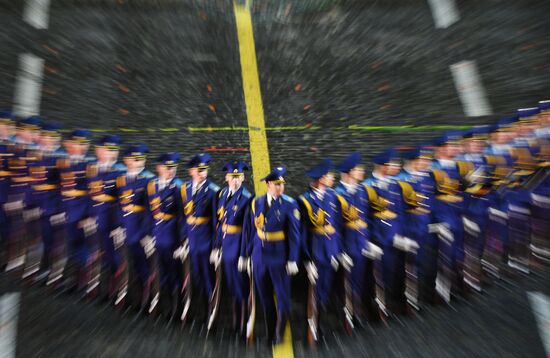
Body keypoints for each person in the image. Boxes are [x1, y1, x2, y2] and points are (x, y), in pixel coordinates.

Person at [240, 166, 301, 344]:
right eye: (276, 184)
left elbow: (295, 235)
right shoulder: (256, 203)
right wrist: (246, 254)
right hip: (260, 255)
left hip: (279, 256)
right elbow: (250, 231)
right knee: (265, 296)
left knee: (282, 297)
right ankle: (269, 331)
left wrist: (292, 259)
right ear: (268, 184)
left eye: (282, 184)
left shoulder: (289, 204)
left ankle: (279, 334)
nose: (280, 188)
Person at [213, 159, 253, 334]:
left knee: (239, 284)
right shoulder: (221, 195)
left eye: (238, 176)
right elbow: (218, 222)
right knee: (230, 283)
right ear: (226, 178)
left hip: (237, 246)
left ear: (243, 178)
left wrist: (244, 254)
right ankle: (236, 318)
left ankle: (241, 320)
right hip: (224, 243)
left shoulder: (246, 198)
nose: (235, 180)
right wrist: (216, 246)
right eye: (232, 176)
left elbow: (247, 230)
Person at [115, 143, 155, 311]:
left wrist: (147, 233)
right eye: (136, 159)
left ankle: (145, 298)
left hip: (140, 228)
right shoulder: (121, 179)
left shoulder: (149, 181)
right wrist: (118, 226)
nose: (140, 162)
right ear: (127, 161)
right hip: (125, 227)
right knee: (123, 262)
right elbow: (118, 205)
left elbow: (150, 210)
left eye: (142, 159)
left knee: (142, 264)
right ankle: (124, 295)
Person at [147, 152, 183, 320]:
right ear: (158, 168)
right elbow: (149, 212)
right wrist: (148, 235)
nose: (171, 171)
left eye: (173, 168)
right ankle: (162, 303)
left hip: (172, 235)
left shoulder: (179, 188)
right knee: (160, 271)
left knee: (174, 271)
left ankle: (177, 307)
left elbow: (183, 217)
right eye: (167, 168)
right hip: (157, 234)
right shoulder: (152, 186)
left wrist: (183, 241)